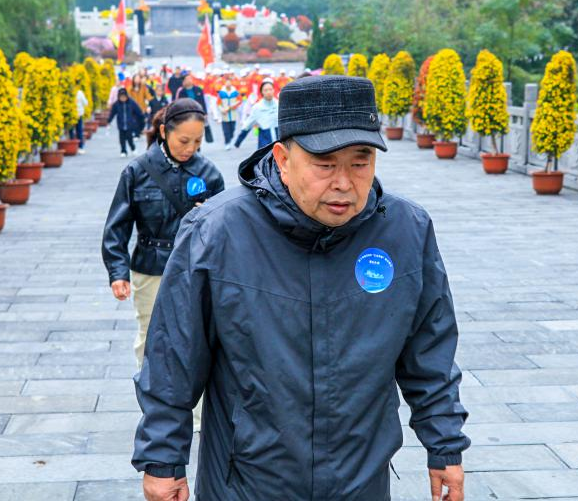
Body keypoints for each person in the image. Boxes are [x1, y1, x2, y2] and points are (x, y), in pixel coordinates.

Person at [133, 76, 470, 501]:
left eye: (360, 162)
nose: (344, 183)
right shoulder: (216, 233)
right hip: (246, 480)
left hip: (360, 480)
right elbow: (173, 356)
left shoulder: (406, 230)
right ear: (283, 158)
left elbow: (430, 350)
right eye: (325, 165)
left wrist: (445, 446)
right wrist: (162, 460)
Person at [102, 97, 224, 373]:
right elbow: (117, 226)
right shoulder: (138, 171)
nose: (190, 148)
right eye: (184, 141)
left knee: (194, 338)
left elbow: (224, 230)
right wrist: (118, 272)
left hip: (195, 268)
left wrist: (207, 216)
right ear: (163, 132)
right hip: (150, 268)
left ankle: (192, 402)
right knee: (150, 335)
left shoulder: (209, 173)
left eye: (197, 141)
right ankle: (152, 397)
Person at [235, 78, 278, 150]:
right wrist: (238, 141)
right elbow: (248, 124)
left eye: (270, 89)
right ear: (261, 92)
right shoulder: (257, 107)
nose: (268, 92)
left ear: (274, 90)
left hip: (279, 141)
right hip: (264, 142)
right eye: (266, 90)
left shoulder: (279, 104)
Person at [175, 73, 213, 144]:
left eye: (190, 78)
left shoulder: (198, 89)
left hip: (198, 114)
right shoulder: (181, 92)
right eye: (187, 79)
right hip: (187, 116)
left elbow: (203, 102)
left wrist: (205, 113)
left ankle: (197, 147)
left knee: (197, 132)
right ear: (184, 81)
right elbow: (179, 105)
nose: (190, 80)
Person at [108, 87, 145, 157]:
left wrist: (141, 117)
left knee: (129, 138)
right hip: (121, 125)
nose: (123, 98)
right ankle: (123, 151)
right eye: (121, 97)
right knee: (121, 139)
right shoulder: (116, 104)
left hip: (129, 124)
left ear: (126, 96)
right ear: (118, 97)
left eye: (124, 97)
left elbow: (138, 111)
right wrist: (109, 120)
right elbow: (112, 113)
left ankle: (133, 148)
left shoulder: (131, 103)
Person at [217, 76, 241, 149]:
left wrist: (233, 106)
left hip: (233, 114)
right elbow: (218, 103)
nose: (228, 84)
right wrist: (222, 110)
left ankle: (230, 138)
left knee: (232, 129)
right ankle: (227, 143)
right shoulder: (221, 93)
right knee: (226, 130)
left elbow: (239, 100)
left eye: (229, 83)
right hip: (225, 115)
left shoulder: (235, 92)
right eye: (227, 83)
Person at [71, 86, 89, 155]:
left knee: (71, 131)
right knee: (79, 131)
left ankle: (73, 146)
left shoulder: (70, 92)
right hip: (79, 114)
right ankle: (80, 147)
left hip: (71, 115)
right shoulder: (80, 93)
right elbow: (85, 103)